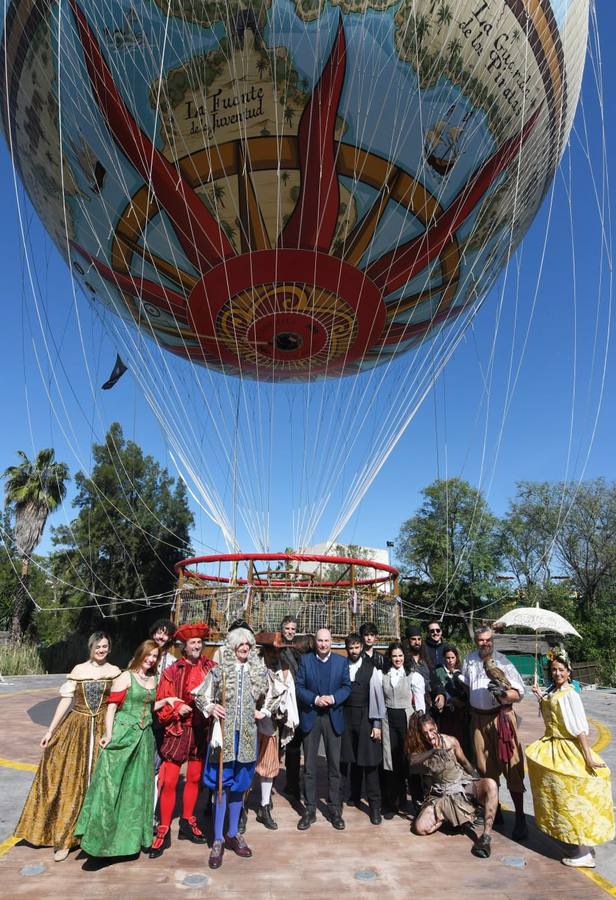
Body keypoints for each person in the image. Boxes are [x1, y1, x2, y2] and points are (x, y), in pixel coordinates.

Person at [14, 632, 121, 862]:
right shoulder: (79, 670)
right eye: (98, 646)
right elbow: (66, 700)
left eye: (105, 646)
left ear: (109, 648)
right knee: (73, 780)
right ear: (90, 647)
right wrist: (50, 730)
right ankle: (67, 838)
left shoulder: (115, 672)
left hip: (104, 727)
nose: (101, 650)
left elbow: (119, 703)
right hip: (77, 726)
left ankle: (95, 837)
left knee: (100, 781)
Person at [75, 640, 172, 858]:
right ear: (140, 654)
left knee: (137, 790)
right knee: (111, 787)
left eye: (155, 656)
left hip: (144, 739)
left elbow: (147, 706)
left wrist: (166, 700)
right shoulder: (125, 676)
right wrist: (109, 734)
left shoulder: (153, 679)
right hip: (123, 735)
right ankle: (100, 843)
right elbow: (112, 708)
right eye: (149, 655)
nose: (152, 659)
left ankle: (130, 843)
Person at [526, 647, 615, 868]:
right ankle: (580, 846)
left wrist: (588, 756)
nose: (557, 673)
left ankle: (584, 851)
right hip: (553, 747)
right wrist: (540, 696)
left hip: (567, 748)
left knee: (574, 798)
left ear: (569, 672)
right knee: (562, 795)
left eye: (561, 670)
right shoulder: (554, 692)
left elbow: (579, 729)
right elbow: (552, 713)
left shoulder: (570, 695)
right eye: (554, 670)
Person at [194, 627, 268, 869]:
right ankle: (217, 839)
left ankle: (233, 833)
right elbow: (199, 696)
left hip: (246, 736)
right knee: (220, 787)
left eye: (248, 644)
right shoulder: (219, 672)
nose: (244, 648)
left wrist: (263, 711)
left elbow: (278, 692)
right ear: (233, 647)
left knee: (239, 787)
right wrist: (211, 708)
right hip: (223, 737)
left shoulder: (258, 671)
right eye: (240, 645)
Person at [150, 621, 216, 857]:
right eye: (192, 643)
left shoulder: (212, 667)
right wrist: (177, 708)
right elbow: (162, 703)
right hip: (178, 730)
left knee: (195, 778)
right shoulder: (172, 671)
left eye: (199, 642)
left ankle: (187, 822)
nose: (197, 646)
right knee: (168, 781)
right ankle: (164, 827)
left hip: (201, 730)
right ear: (184, 647)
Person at [460, 626, 527, 841]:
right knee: (485, 768)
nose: (485, 644)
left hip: (501, 717)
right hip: (478, 719)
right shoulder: (469, 660)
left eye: (488, 640)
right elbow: (467, 687)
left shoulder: (503, 662)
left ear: (493, 640)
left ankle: (520, 818)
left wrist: (504, 694)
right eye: (480, 640)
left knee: (512, 766)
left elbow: (519, 693)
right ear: (476, 641)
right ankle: (494, 811)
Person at [406, 712, 498, 859]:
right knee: (420, 828)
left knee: (491, 784)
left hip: (462, 787)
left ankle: (485, 838)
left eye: (431, 730)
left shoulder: (451, 741)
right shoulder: (422, 748)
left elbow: (466, 763)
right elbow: (411, 761)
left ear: (436, 727)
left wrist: (479, 785)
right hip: (440, 795)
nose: (429, 736)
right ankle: (451, 819)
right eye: (425, 733)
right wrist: (433, 752)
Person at [295, 627, 352, 831]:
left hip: (332, 716)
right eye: (320, 641)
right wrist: (315, 699)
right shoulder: (306, 660)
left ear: (332, 642)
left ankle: (334, 809)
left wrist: (334, 698)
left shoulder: (341, 662)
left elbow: (347, 687)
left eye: (327, 641)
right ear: (315, 642)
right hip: (312, 716)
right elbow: (299, 687)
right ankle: (310, 809)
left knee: (334, 767)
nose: (323, 644)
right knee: (309, 767)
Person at [254, 632, 299, 829]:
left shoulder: (285, 670)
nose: (275, 654)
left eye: (278, 650)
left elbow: (289, 697)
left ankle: (264, 807)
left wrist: (282, 714)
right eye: (272, 650)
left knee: (269, 766)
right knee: (247, 765)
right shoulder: (253, 667)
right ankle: (241, 810)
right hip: (250, 723)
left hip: (271, 724)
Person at [340, 633, 385, 824]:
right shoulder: (342, 666)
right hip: (345, 717)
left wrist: (376, 723)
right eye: (351, 647)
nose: (354, 650)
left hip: (366, 716)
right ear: (347, 649)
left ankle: (375, 807)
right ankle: (351, 796)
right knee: (348, 759)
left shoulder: (371, 668)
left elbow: (377, 696)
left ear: (361, 648)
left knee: (369, 762)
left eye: (357, 647)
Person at [380, 641, 425, 818]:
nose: (397, 659)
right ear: (390, 658)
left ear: (404, 656)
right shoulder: (382, 675)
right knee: (391, 761)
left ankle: (417, 803)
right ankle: (393, 803)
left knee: (411, 761)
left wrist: (420, 724)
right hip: (388, 719)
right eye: (394, 656)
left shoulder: (413, 676)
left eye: (400, 655)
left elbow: (420, 703)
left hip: (407, 719)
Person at [433, 644, 468, 749]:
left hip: (459, 712)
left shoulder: (461, 672)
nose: (450, 660)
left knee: (460, 741)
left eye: (452, 657)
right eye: (448, 658)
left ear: (456, 657)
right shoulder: (439, 670)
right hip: (445, 713)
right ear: (444, 658)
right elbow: (436, 685)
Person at [405, 624, 445, 712]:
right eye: (413, 639)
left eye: (419, 639)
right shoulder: (402, 660)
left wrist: (440, 693)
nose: (417, 642)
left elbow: (435, 678)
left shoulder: (426, 658)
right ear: (408, 641)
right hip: (410, 705)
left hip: (428, 704)